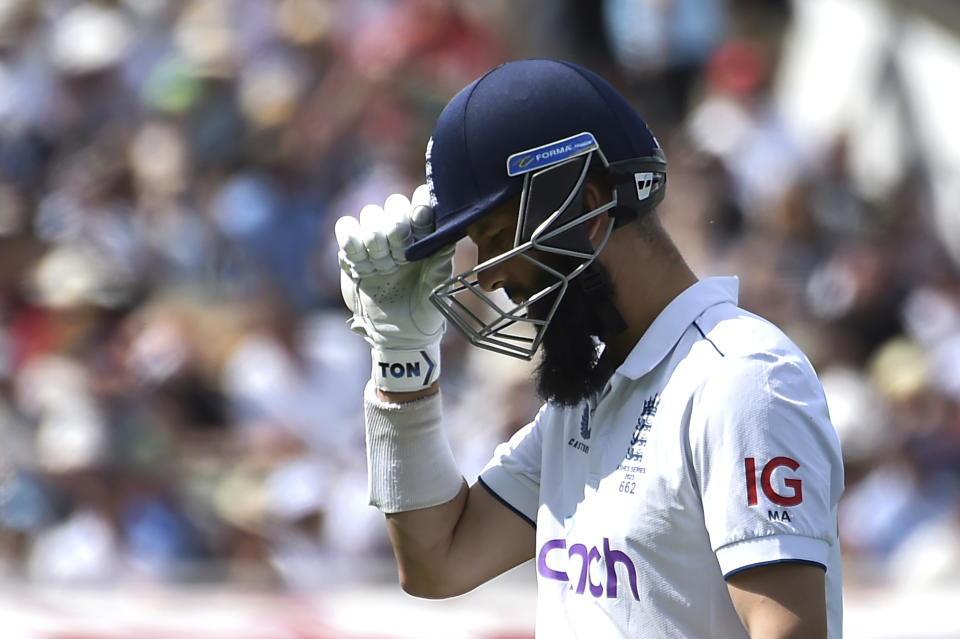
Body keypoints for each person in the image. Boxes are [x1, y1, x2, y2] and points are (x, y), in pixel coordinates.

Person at [336, 59, 843, 638]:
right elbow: (437, 562)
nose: (491, 277)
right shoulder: (590, 396)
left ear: (584, 209)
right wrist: (403, 359)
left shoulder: (740, 379)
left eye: (500, 237)